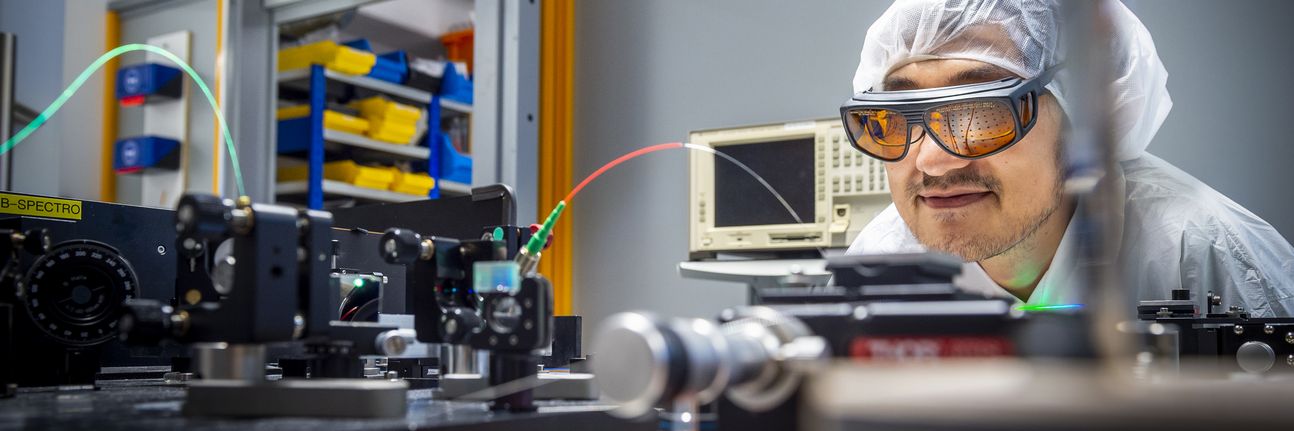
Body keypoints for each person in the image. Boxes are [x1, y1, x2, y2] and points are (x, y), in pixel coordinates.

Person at [842, 0, 1294, 316]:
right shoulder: (882, 260)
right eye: (898, 116)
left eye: (981, 114)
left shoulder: (1203, 254)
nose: (932, 162)